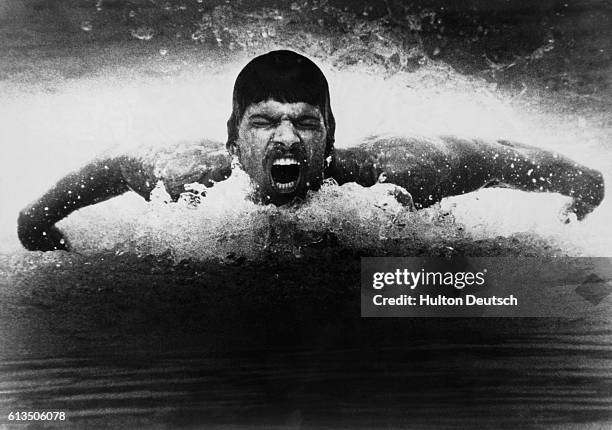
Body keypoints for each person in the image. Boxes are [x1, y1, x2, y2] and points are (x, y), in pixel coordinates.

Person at [17, 50, 605, 252]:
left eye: (304, 123)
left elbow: (522, 161)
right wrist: (48, 236)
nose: (287, 139)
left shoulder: (399, 175)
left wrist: (575, 204)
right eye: (264, 122)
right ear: (231, 136)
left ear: (331, 131)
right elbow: (36, 216)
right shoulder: (181, 179)